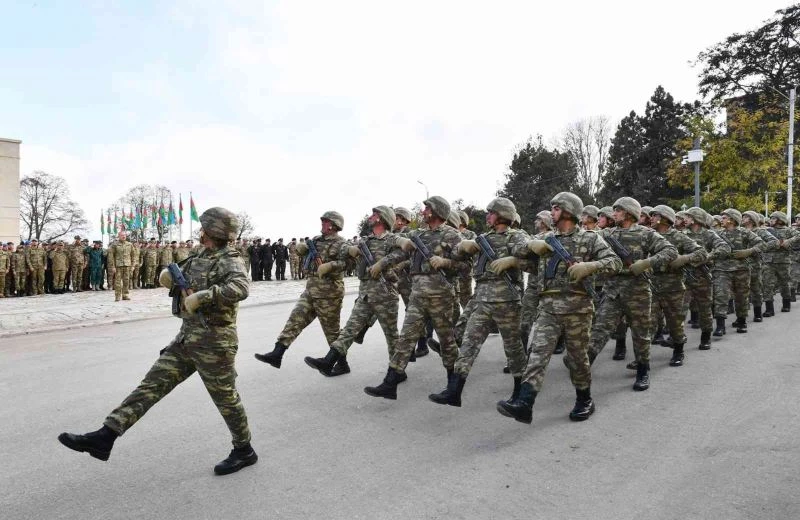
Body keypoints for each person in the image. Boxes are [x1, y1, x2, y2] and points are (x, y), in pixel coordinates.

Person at [58, 207, 256, 475]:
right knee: (151, 385)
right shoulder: (200, 255)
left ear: (211, 230)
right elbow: (176, 274)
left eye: (204, 227)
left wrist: (204, 296)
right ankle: (106, 436)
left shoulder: (230, 259)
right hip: (187, 338)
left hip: (215, 343)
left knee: (226, 400)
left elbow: (241, 288)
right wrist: (168, 277)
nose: (200, 230)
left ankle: (244, 450)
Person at [498, 192, 621, 424]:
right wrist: (530, 248)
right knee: (537, 354)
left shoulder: (591, 239)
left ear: (567, 211)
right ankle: (525, 403)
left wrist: (590, 266)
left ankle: (584, 399)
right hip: (549, 308)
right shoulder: (546, 239)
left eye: (555, 208)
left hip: (578, 309)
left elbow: (614, 262)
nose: (551, 212)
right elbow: (520, 251)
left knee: (577, 359)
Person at [363, 196, 466, 400]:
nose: (423, 210)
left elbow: (465, 266)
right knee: (406, 337)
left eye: (427, 208)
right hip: (418, 294)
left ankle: (453, 389)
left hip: (441, 295)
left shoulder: (452, 235)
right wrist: (382, 264)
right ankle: (390, 384)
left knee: (447, 341)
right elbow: (401, 255)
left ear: (437, 211)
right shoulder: (417, 234)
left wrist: (445, 262)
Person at [430, 197, 527, 408]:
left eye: (491, 213)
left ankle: (519, 393)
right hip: (482, 299)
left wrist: (512, 260)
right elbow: (457, 254)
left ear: (502, 215)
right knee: (468, 344)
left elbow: (531, 261)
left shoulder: (517, 236)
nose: (487, 216)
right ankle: (454, 392)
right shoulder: (483, 239)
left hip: (507, 301)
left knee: (513, 348)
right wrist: (466, 247)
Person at [585, 197, 678, 391]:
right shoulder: (606, 233)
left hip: (638, 292)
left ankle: (643, 371)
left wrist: (647, 263)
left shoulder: (645, 234)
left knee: (640, 334)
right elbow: (587, 242)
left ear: (628, 213)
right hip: (613, 291)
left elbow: (670, 251)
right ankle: (583, 367)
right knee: (599, 329)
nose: (614, 214)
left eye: (617, 210)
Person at [304, 206, 400, 376]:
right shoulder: (365, 241)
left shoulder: (392, 239)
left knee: (391, 336)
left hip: (386, 295)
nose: (370, 217)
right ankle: (329, 361)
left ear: (382, 219)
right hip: (365, 295)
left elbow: (404, 256)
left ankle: (397, 371)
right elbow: (348, 252)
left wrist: (383, 264)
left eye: (374, 215)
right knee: (349, 330)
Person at [254, 212, 349, 369]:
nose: (322, 224)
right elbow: (302, 253)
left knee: (332, 332)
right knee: (294, 320)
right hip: (311, 290)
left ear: (334, 225)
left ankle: (342, 364)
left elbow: (347, 263)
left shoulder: (341, 243)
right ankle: (277, 354)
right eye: (323, 221)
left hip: (329, 293)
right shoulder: (316, 240)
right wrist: (301, 249)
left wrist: (330, 266)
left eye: (325, 222)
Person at [107, 231, 135, 301]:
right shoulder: (114, 245)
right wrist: (113, 266)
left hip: (127, 265)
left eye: (125, 235)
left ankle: (125, 295)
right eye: (122, 235)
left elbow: (133, 255)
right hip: (118, 266)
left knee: (126, 281)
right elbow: (111, 256)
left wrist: (133, 265)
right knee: (118, 282)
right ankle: (117, 296)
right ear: (118, 236)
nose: (124, 236)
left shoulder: (130, 244)